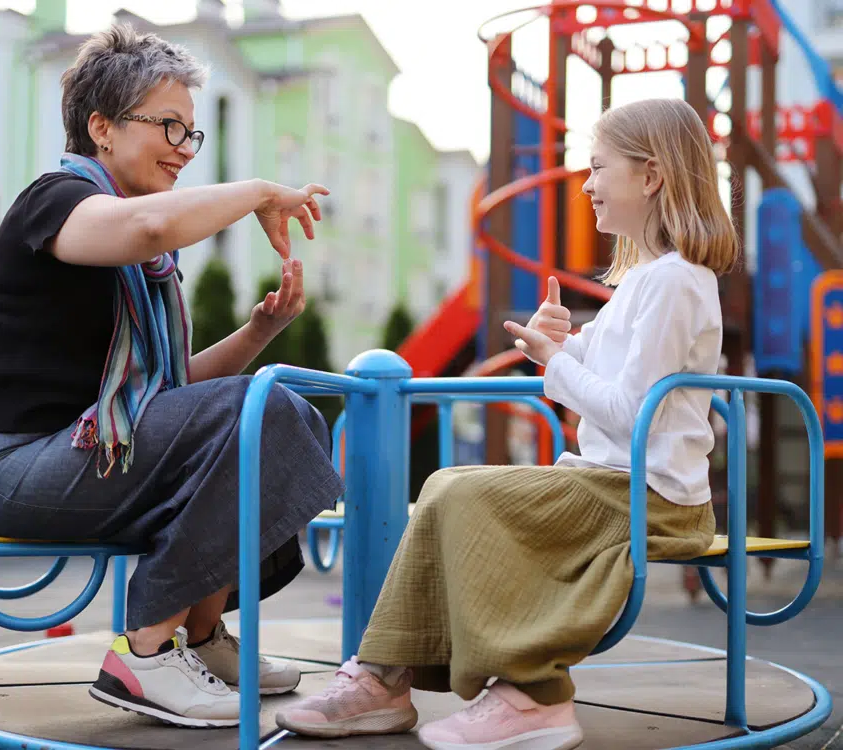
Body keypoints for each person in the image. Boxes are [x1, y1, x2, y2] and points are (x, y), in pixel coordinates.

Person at [275, 96, 739, 749]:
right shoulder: (648, 279)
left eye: (599, 167)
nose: (587, 184)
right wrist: (563, 343)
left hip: (649, 497)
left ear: (652, 176)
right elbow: (620, 376)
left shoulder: (671, 281)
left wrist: (555, 361)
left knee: (462, 492)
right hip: (622, 483)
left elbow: (633, 411)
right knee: (447, 484)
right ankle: (387, 675)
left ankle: (532, 695)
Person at [0, 24, 345, 729]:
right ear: (101, 127)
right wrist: (259, 190)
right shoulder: (55, 202)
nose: (183, 147)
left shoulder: (145, 260)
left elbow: (173, 397)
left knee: (278, 411)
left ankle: (199, 639)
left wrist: (261, 332)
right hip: (19, 467)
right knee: (263, 411)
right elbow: (145, 229)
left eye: (191, 132)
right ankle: (145, 653)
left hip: (91, 454)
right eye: (168, 125)